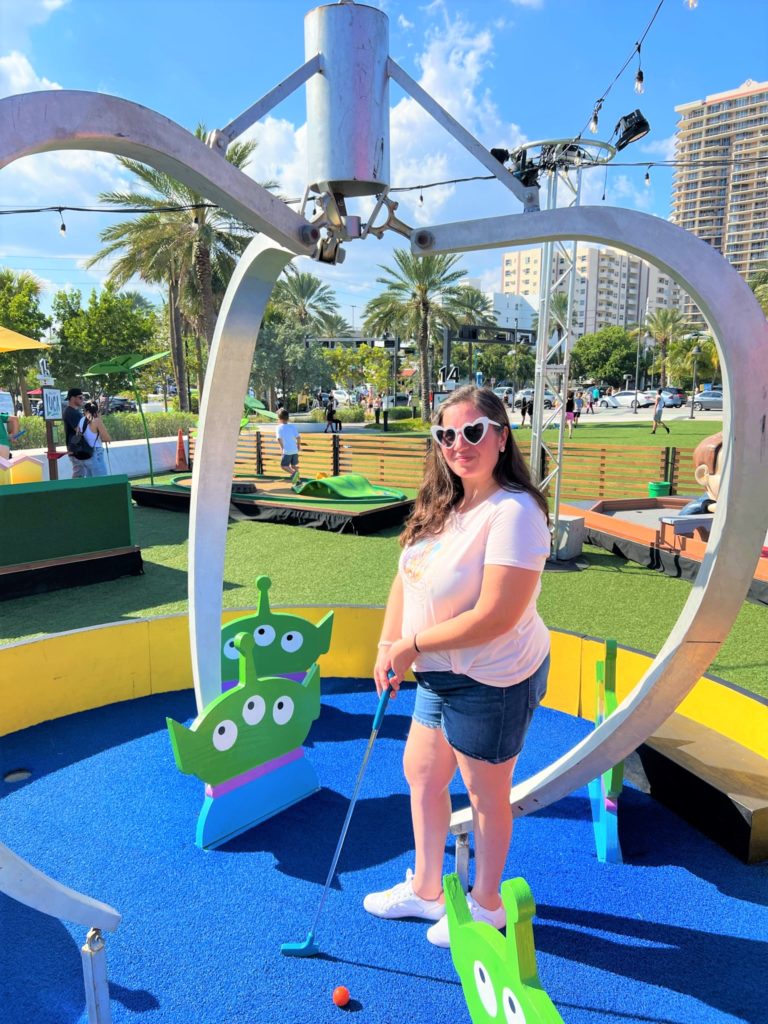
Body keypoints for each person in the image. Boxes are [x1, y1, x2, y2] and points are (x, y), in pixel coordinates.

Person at [365, 385, 551, 948]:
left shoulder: (514, 512)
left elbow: (495, 615)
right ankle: (425, 887)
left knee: (485, 792)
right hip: (438, 671)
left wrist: (412, 644)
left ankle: (487, 902)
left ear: (500, 436)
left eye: (473, 432)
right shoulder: (444, 504)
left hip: (492, 676)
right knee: (421, 774)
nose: (458, 444)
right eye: (446, 434)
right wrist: (386, 643)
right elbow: (407, 576)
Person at [80, 400, 112, 476]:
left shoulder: (81, 421)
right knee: (102, 483)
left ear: (85, 411)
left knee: (90, 484)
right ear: (96, 411)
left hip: (85, 455)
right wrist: (100, 421)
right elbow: (107, 438)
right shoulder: (97, 421)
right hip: (96, 453)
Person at [276, 407, 301, 486]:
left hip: (287, 451)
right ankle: (298, 480)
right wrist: (298, 446)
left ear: (279, 418)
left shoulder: (278, 427)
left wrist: (282, 448)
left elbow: (279, 439)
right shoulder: (292, 426)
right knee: (294, 465)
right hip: (294, 450)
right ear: (288, 417)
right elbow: (298, 437)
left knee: (283, 466)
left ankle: (294, 474)